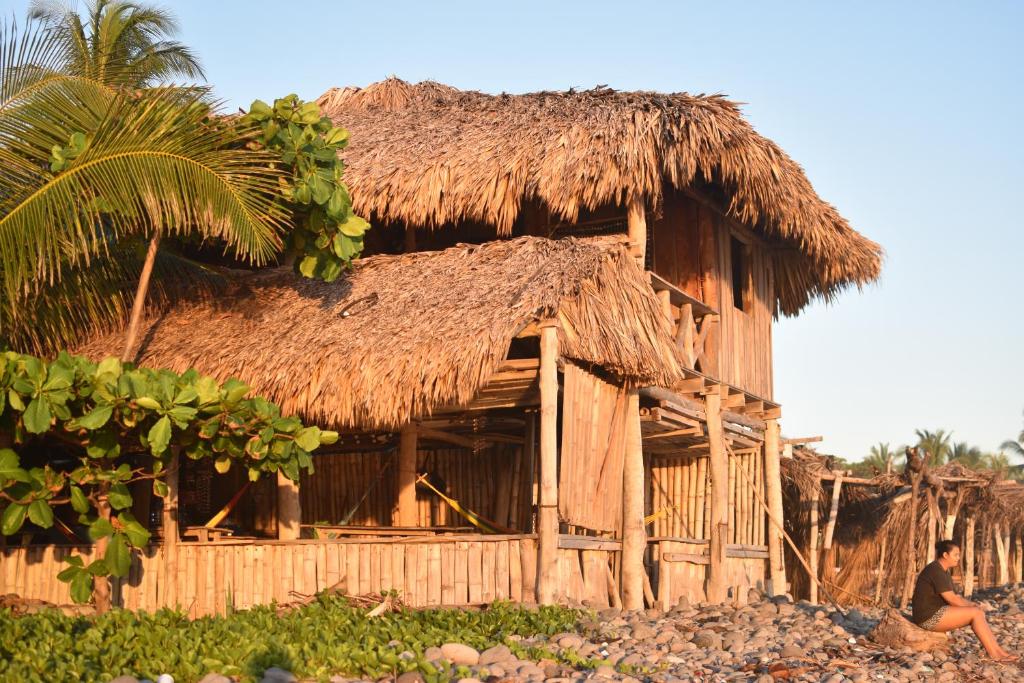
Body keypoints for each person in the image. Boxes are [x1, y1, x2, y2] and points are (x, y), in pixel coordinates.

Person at [912, 539, 1018, 661]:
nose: (958, 558)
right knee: (976, 613)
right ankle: (994, 654)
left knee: (977, 612)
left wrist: (972, 604)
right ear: (945, 555)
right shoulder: (935, 570)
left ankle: (1000, 652)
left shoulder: (942, 570)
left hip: (935, 611)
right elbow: (952, 599)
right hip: (928, 617)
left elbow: (955, 597)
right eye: (955, 555)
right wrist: (974, 607)